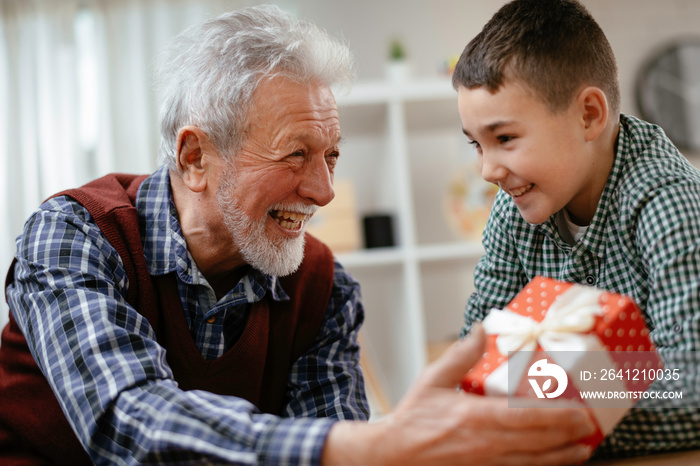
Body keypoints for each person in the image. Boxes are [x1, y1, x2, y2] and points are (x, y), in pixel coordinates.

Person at [1, 5, 596, 465]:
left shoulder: (324, 286)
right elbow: (126, 421)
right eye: (295, 154)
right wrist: (373, 445)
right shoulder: (75, 236)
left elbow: (336, 432)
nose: (324, 190)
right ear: (195, 157)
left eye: (331, 156)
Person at [453, 0, 700, 460]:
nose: (487, 170)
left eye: (504, 138)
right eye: (476, 144)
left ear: (588, 114)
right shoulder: (518, 206)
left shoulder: (667, 201)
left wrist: (550, 399)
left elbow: (692, 379)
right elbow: (480, 347)